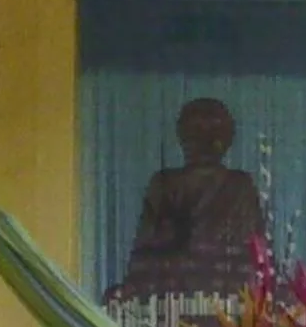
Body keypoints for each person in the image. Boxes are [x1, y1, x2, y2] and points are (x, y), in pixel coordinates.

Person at [108, 97, 265, 300]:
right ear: (184, 137)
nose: (205, 139)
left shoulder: (239, 185)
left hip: (226, 288)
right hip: (173, 288)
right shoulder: (164, 184)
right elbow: (145, 253)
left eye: (214, 131)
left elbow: (254, 253)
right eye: (197, 131)